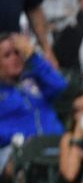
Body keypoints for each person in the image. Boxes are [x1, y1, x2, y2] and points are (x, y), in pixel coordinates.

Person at [0, 32, 65, 171]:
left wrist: (32, 56)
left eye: (18, 52)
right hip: (18, 152)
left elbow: (60, 86)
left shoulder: (35, 79)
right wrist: (17, 136)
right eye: (7, 55)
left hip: (54, 145)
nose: (15, 58)